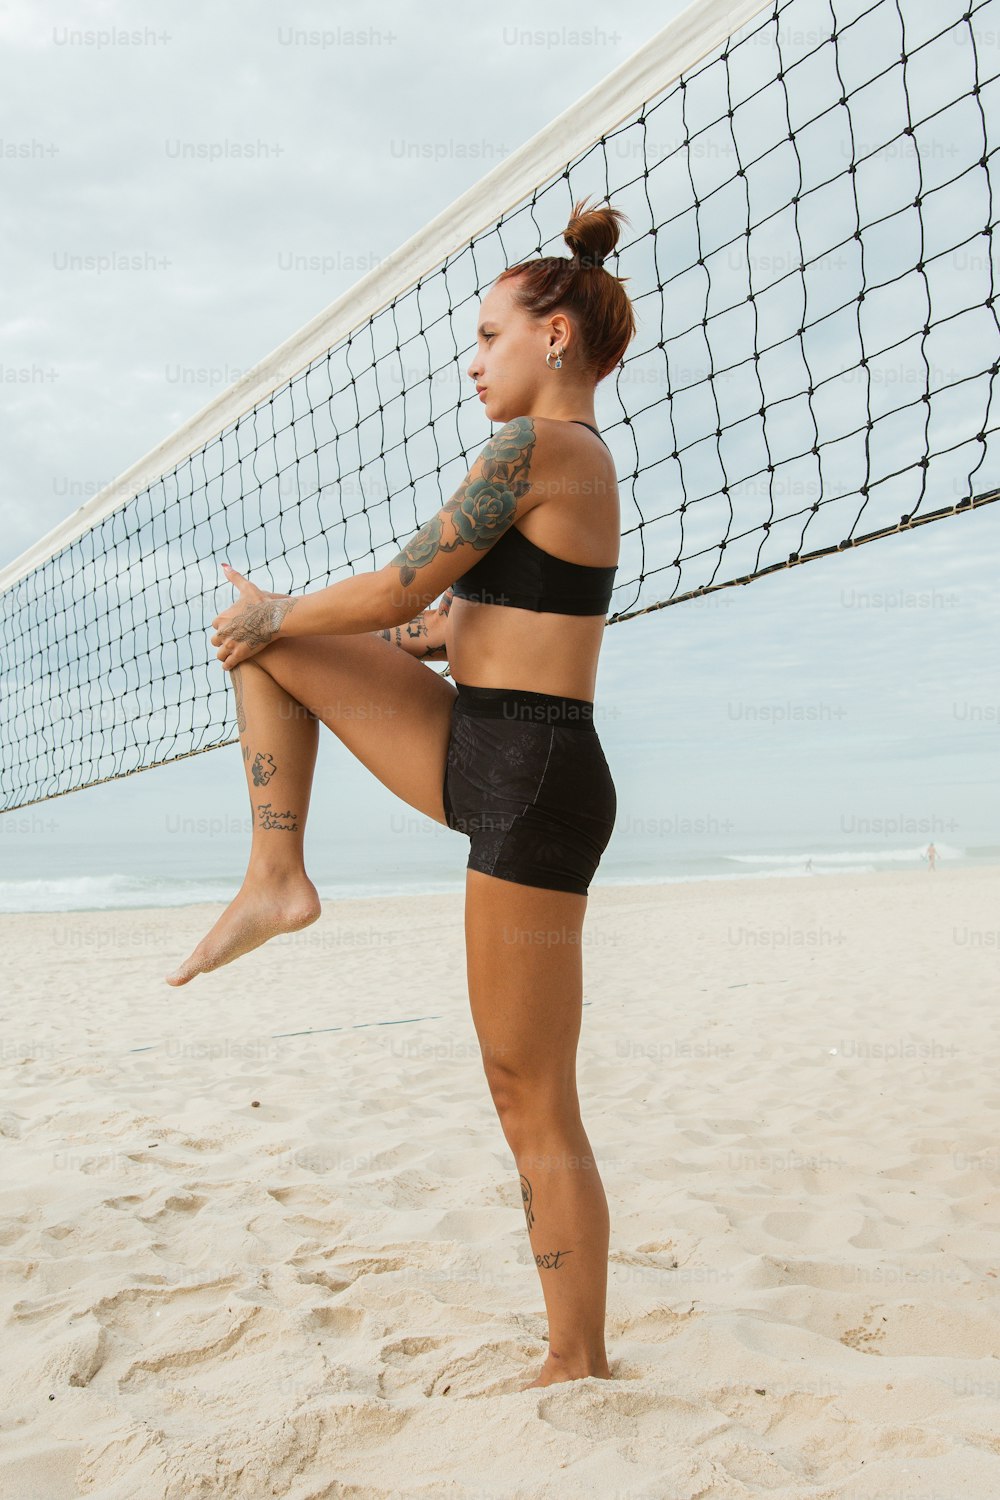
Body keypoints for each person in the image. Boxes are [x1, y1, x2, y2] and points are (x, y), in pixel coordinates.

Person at [166, 196, 637, 1391]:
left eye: (488, 335)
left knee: (527, 1088)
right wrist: (333, 628)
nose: (471, 359)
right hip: (484, 739)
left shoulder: (538, 448)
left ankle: (575, 1360)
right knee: (264, 647)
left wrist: (298, 609)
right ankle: (276, 877)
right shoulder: (556, 464)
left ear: (556, 340)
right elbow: (455, 614)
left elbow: (387, 589)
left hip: (531, 775)